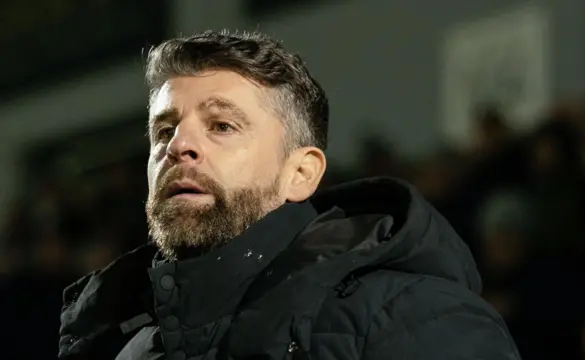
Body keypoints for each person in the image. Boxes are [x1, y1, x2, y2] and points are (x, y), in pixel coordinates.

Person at [58, 30, 520, 360]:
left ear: (301, 173)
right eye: (164, 131)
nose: (178, 146)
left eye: (221, 125)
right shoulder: (128, 349)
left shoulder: (412, 317)